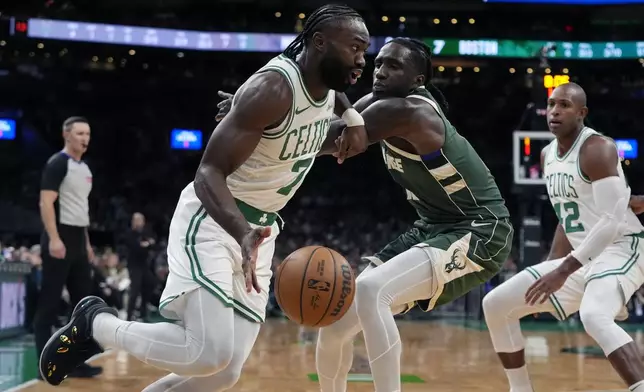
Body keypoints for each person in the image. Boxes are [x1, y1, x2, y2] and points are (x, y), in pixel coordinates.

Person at [38, 4, 370, 391]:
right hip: (216, 220)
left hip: (259, 232)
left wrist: (354, 122)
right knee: (207, 353)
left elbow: (318, 133)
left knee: (225, 372)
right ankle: (96, 323)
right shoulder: (273, 89)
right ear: (319, 42)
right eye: (354, 49)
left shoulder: (326, 93)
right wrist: (241, 232)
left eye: (364, 51)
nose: (362, 60)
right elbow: (207, 174)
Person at [218, 36, 513, 392]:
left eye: (394, 66)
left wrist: (257, 120)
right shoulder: (374, 104)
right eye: (380, 63)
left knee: (373, 291)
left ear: (418, 80)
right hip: (433, 228)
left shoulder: (408, 112)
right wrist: (251, 110)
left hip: (481, 229)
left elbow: (328, 141)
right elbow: (321, 121)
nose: (382, 71)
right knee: (336, 322)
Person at [482, 82, 644, 392]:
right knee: (496, 303)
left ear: (582, 113)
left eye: (565, 105)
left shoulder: (598, 148)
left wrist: (562, 271)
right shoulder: (546, 155)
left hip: (623, 247)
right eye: (552, 104)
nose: (555, 111)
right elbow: (566, 214)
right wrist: (550, 265)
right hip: (583, 255)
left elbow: (611, 221)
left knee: (594, 316)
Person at [35, 116, 102, 379]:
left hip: (77, 240)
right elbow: (46, 203)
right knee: (49, 305)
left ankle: (75, 363)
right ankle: (44, 367)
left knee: (82, 307)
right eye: (79, 133)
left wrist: (85, 243)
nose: (85, 138)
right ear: (66, 135)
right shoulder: (57, 164)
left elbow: (80, 209)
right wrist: (54, 238)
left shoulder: (84, 168)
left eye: (87, 134)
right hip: (59, 237)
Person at [123, 212, 156, 321]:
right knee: (135, 290)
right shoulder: (129, 233)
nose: (140, 223)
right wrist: (146, 245)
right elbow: (136, 247)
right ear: (133, 221)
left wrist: (146, 245)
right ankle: (129, 315)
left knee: (150, 283)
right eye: (137, 220)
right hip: (134, 265)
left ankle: (143, 311)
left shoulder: (144, 233)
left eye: (141, 220)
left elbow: (152, 243)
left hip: (143, 265)